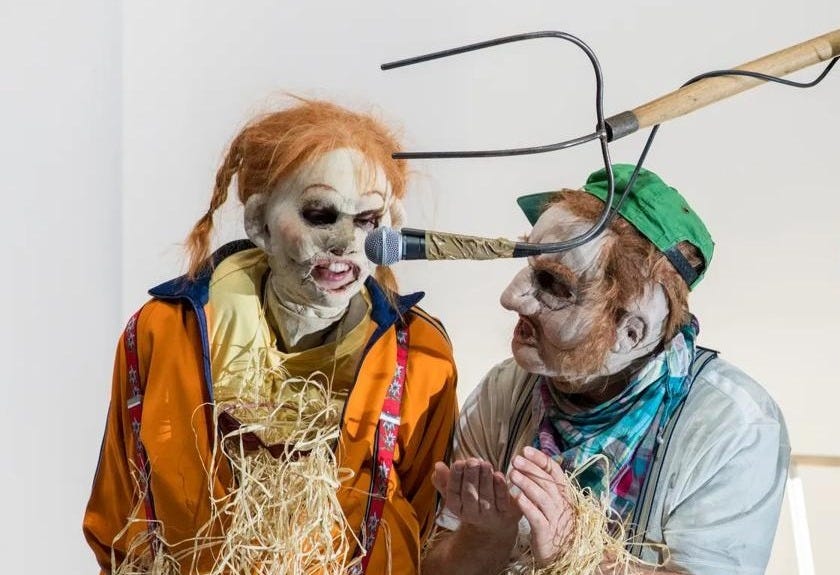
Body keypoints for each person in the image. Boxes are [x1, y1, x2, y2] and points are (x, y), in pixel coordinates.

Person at [83, 99, 458, 575]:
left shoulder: (422, 356)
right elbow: (118, 511)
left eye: (368, 221)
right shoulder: (161, 333)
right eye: (320, 214)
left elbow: (426, 518)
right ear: (259, 223)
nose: (347, 243)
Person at [422, 164, 789, 575]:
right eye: (529, 267)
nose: (512, 298)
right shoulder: (506, 391)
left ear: (629, 332)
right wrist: (486, 533)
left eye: (554, 285)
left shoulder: (732, 427)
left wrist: (578, 553)